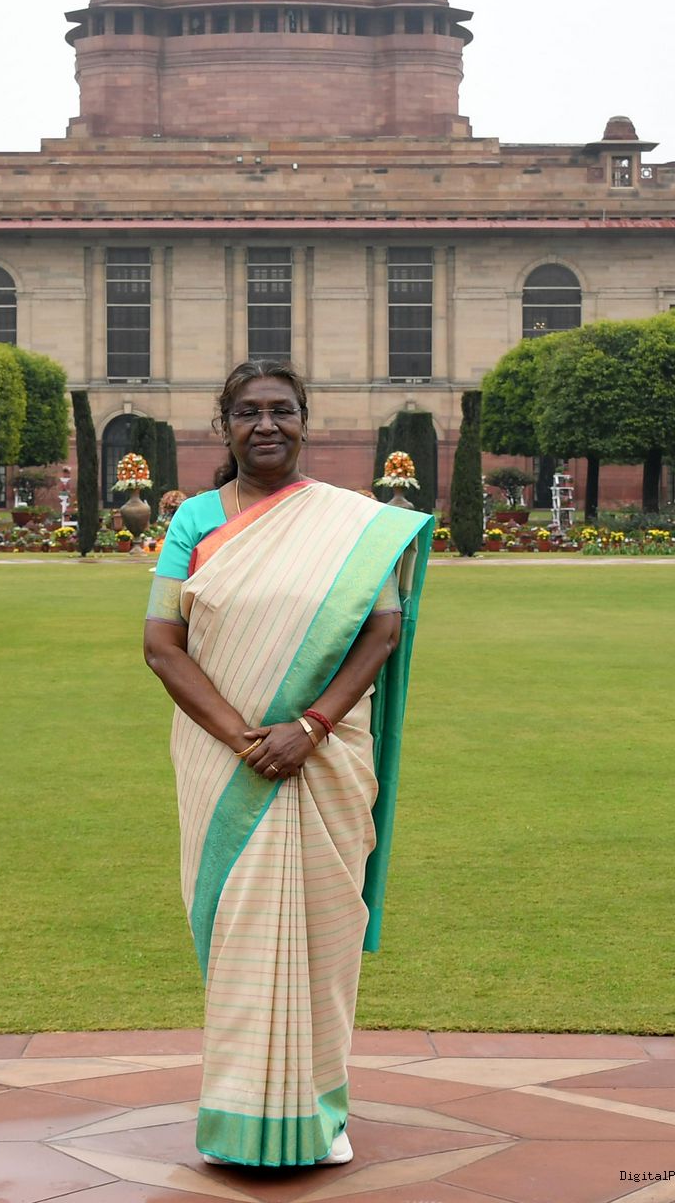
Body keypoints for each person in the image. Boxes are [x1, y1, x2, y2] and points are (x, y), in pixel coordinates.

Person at [143, 360, 433, 1169]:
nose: (265, 424)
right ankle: (239, 1117)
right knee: (239, 932)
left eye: (280, 409)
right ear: (225, 426)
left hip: (324, 755)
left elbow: (381, 630)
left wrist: (308, 726)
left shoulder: (353, 524)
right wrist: (245, 740)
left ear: (305, 419)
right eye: (247, 411)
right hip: (225, 761)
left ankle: (320, 1111)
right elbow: (161, 644)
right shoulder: (193, 521)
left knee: (323, 936)